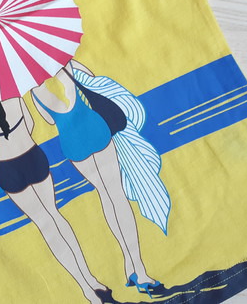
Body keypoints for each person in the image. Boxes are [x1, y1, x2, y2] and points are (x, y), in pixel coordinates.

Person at [31, 60, 163, 298]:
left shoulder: (34, 90)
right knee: (117, 196)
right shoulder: (67, 66)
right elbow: (92, 79)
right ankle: (136, 268)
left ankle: (131, 267)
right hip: (95, 130)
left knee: (105, 195)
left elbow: (48, 119)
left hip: (73, 144)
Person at [0, 97, 113, 304]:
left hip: (7, 168)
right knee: (55, 215)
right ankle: (91, 280)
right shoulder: (13, 95)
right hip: (32, 157)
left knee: (45, 224)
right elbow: (29, 124)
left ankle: (86, 289)